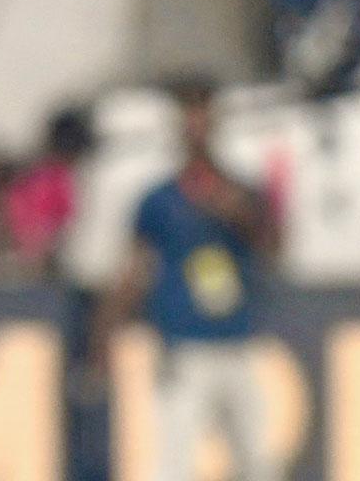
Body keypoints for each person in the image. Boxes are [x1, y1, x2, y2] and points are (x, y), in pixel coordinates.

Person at [96, 79, 280, 481]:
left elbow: (273, 249)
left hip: (237, 341)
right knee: (175, 459)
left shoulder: (240, 192)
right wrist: (105, 331)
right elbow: (135, 268)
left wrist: (238, 214)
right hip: (183, 346)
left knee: (257, 461)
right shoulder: (159, 199)